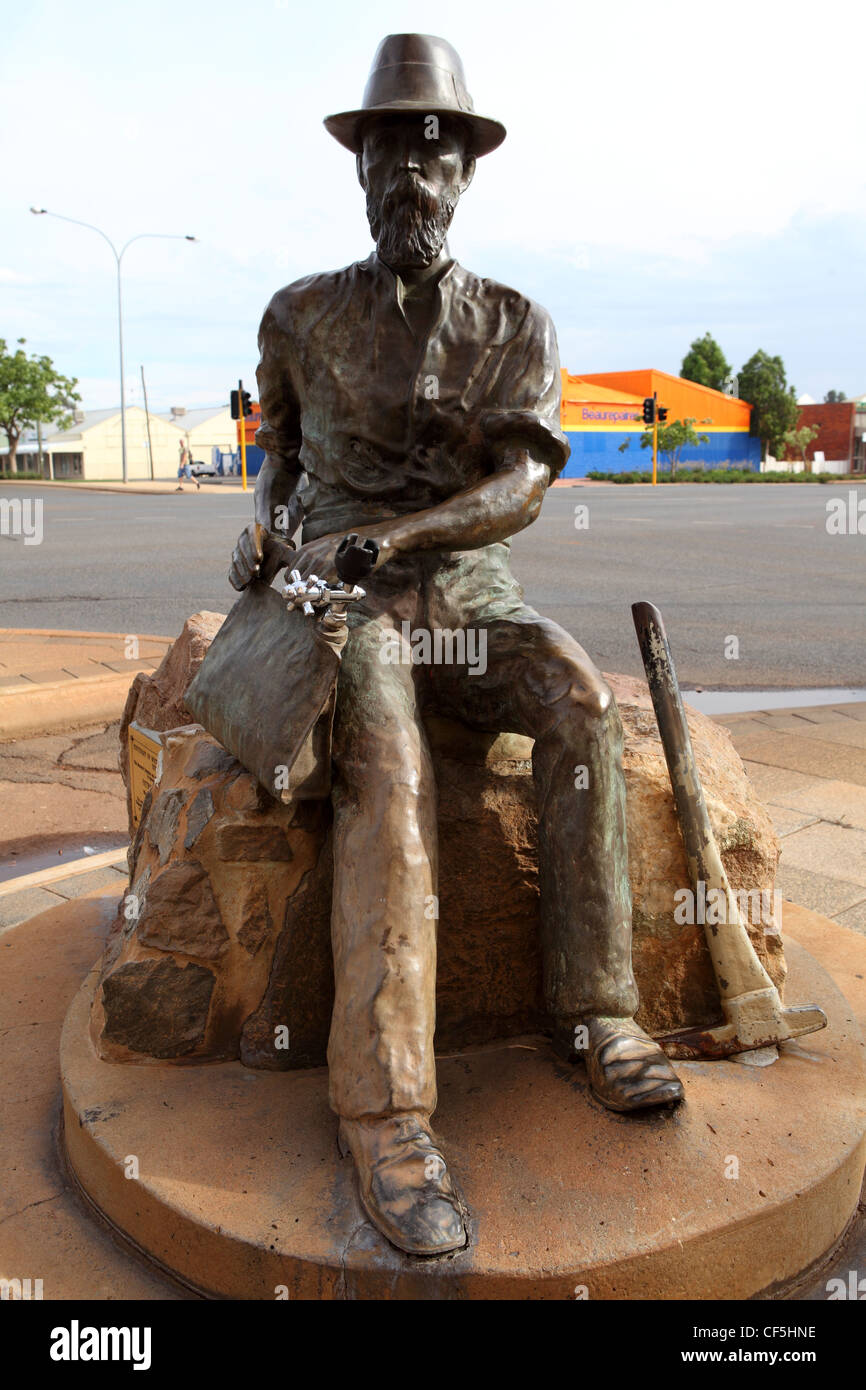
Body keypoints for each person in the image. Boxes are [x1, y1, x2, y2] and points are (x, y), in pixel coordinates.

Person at [228, 34, 683, 1258]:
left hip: (466, 587)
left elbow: (522, 486)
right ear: (362, 167)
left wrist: (410, 536)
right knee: (386, 751)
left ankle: (598, 1013)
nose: (412, 178)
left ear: (465, 172)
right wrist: (266, 536)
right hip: (348, 598)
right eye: (391, 151)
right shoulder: (299, 314)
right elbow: (277, 456)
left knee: (582, 702)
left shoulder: (514, 321)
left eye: (434, 153)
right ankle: (384, 1109)